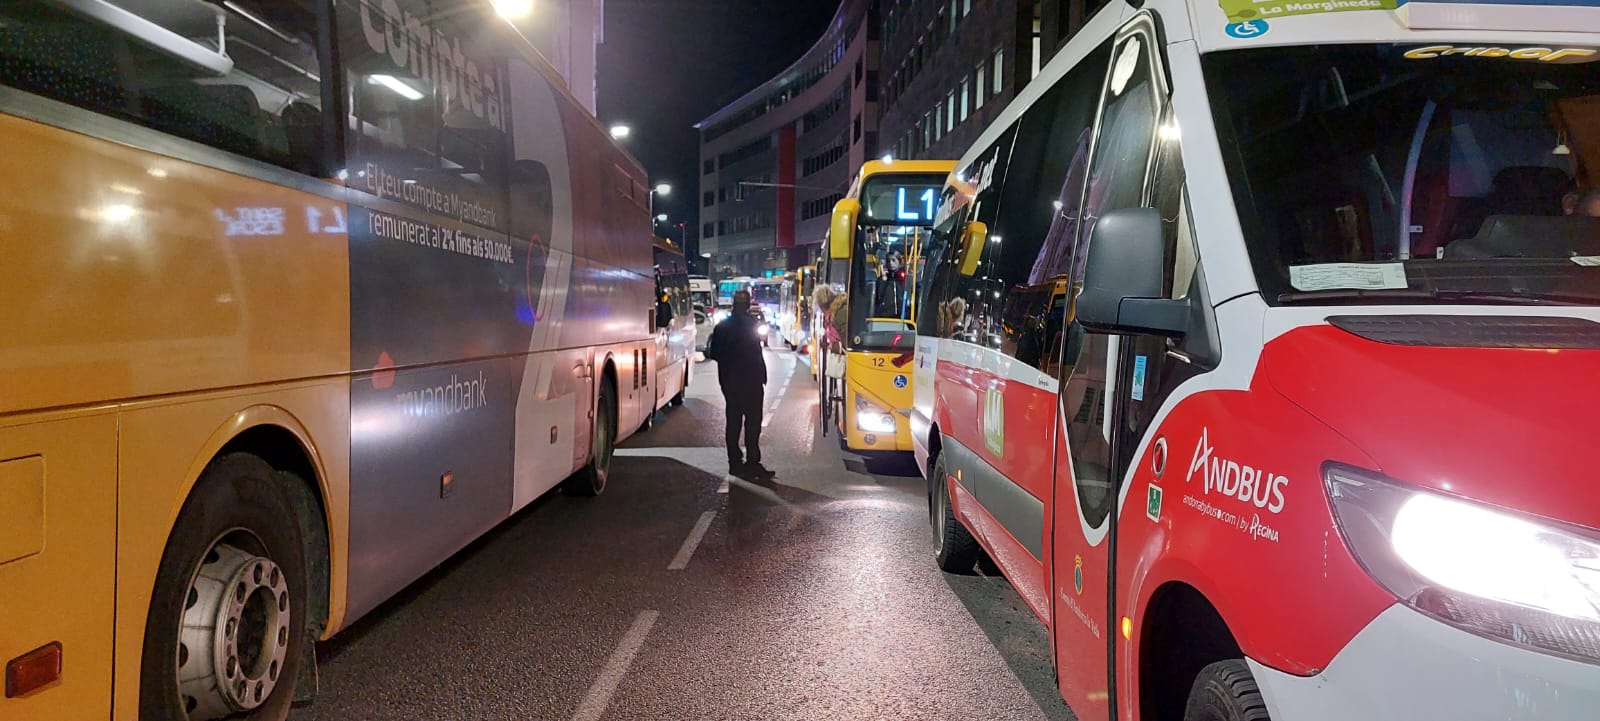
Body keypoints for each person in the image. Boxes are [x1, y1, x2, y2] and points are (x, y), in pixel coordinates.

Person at [705, 290, 769, 477]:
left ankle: (735, 462)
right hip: (752, 381)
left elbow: (713, 353)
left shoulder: (722, 327)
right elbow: (756, 353)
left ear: (733, 304)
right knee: (753, 422)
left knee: (733, 422)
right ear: (748, 304)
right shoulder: (752, 325)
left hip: (730, 382)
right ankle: (752, 463)